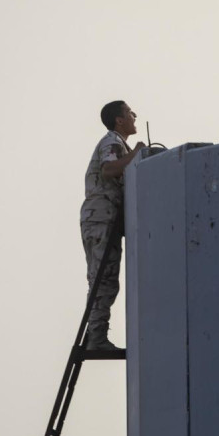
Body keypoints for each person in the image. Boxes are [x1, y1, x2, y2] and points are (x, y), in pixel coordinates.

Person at [80, 101, 145, 353]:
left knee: (103, 278)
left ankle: (95, 335)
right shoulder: (112, 141)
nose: (134, 115)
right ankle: (96, 339)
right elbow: (109, 170)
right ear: (119, 120)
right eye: (129, 112)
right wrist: (137, 153)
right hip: (101, 218)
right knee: (103, 279)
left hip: (104, 219)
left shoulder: (119, 143)